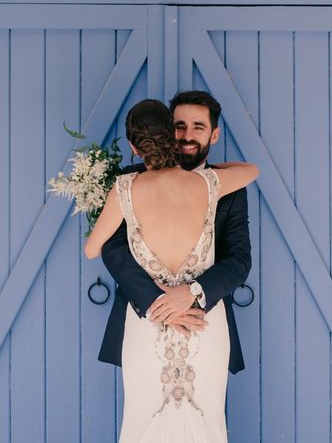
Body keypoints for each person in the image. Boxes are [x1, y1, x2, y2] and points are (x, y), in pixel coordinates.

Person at [84, 97, 258, 442]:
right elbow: (114, 252)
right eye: (181, 127)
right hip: (153, 314)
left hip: (201, 313)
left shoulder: (125, 188)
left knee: (176, 422)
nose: (189, 135)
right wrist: (155, 302)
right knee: (160, 417)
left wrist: (190, 293)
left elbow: (239, 261)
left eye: (199, 127)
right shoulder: (216, 185)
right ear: (169, 131)